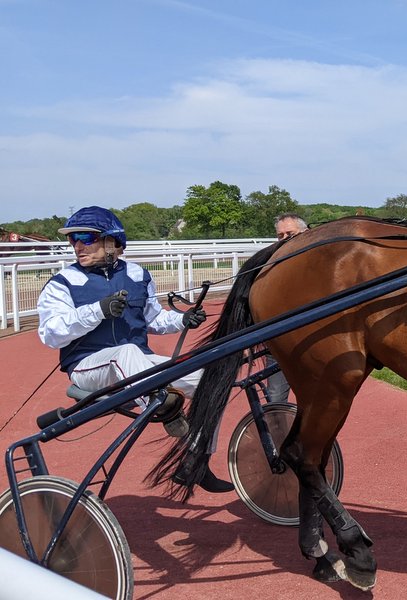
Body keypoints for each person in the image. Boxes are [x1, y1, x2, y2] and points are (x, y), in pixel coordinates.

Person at [36, 206, 233, 493]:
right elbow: (50, 334)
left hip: (135, 364)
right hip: (88, 367)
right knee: (126, 353)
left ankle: (196, 458)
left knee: (212, 380)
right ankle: (167, 412)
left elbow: (152, 319)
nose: (77, 245)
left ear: (113, 242)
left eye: (85, 237)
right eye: (72, 239)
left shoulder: (138, 274)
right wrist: (97, 311)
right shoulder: (63, 283)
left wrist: (182, 319)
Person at [264, 213, 308, 403]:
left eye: (290, 234)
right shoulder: (270, 267)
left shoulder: (321, 266)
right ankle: (277, 432)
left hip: (311, 344)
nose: (284, 240)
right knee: (274, 399)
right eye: (280, 236)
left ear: (306, 233)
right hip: (279, 345)